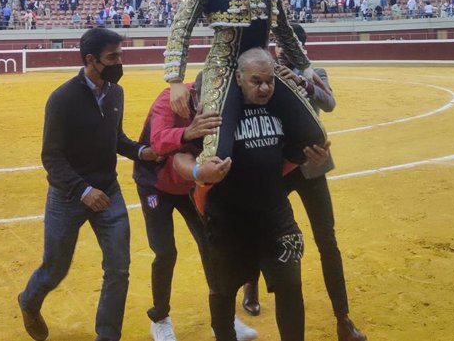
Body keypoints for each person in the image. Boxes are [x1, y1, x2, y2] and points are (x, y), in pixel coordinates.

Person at [173, 48, 325, 341]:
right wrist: (196, 173)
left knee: (291, 288)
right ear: (239, 79)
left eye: (269, 81)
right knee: (223, 292)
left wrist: (310, 158)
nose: (265, 87)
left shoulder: (280, 108)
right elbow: (181, 157)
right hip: (228, 219)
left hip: (276, 217)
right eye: (256, 81)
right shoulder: (214, 111)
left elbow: (292, 155)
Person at [18, 28, 159, 341]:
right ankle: (29, 301)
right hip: (68, 196)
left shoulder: (115, 93)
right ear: (91, 60)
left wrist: (141, 151)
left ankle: (107, 336)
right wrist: (83, 190)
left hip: (108, 191)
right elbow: (51, 157)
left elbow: (116, 139)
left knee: (119, 268)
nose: (120, 62)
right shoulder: (62, 99)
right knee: (55, 268)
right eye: (113, 57)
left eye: (120, 55)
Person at [163, 0, 326, 165]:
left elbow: (282, 28)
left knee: (315, 136)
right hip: (224, 68)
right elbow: (182, 24)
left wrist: (306, 68)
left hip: (264, 68)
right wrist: (175, 80)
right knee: (216, 155)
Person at [241, 24, 367, 341]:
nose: (281, 48)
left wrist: (303, 84)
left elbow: (329, 104)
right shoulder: (265, 73)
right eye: (279, 43)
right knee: (259, 230)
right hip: (278, 165)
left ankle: (343, 319)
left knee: (327, 240)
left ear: (299, 46)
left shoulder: (313, 71)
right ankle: (251, 288)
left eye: (287, 43)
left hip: (311, 165)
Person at [133, 76, 257, 341]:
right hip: (155, 184)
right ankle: (160, 318)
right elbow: (157, 142)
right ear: (195, 96)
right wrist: (189, 132)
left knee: (213, 246)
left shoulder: (225, 105)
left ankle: (222, 318)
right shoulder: (169, 100)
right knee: (165, 252)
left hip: (192, 184)